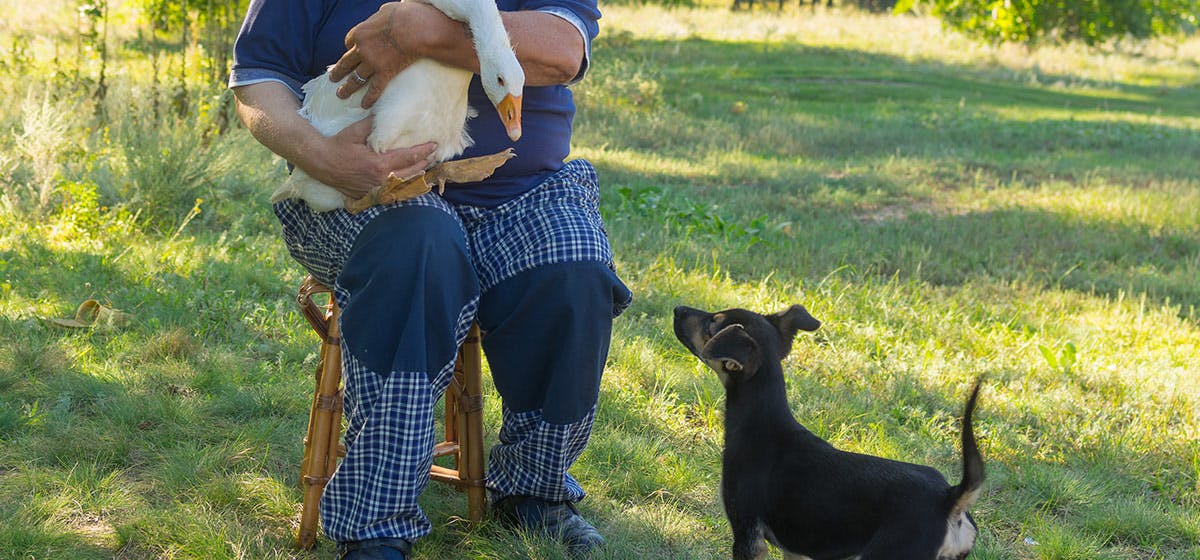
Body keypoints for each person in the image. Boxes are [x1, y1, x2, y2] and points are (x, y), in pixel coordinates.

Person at [228, 0, 630, 558]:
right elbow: (256, 76)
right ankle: (376, 524)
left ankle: (535, 490)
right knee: (416, 251)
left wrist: (417, 31)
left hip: (520, 193)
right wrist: (322, 157)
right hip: (359, 192)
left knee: (573, 266)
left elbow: (561, 51)